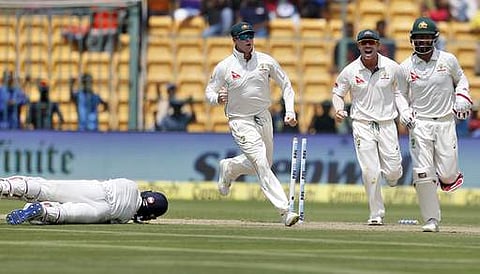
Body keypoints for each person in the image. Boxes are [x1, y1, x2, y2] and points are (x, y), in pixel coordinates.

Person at [205, 22, 300, 226]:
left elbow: (286, 85)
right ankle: (285, 210)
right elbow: (209, 91)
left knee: (264, 162)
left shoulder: (265, 61)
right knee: (260, 162)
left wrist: (290, 111)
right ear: (235, 40)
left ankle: (229, 167)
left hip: (263, 117)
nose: (248, 40)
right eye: (243, 37)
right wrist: (217, 99)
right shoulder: (225, 66)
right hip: (240, 120)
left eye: (250, 36)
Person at [398, 17, 473, 232]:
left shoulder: (448, 60)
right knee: (422, 173)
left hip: (445, 122)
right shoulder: (405, 67)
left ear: (434, 39)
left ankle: (446, 179)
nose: (422, 42)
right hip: (419, 124)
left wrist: (462, 97)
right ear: (412, 40)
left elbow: (462, 80)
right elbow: (400, 94)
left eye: (427, 37)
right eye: (419, 38)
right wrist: (404, 111)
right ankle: (431, 219)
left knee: (448, 175)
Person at [332, 29, 410, 226]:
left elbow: (400, 93)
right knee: (370, 171)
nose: (368, 46)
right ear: (358, 46)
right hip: (362, 124)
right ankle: (376, 213)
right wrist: (339, 109)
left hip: (386, 124)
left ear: (378, 45)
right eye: (364, 43)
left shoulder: (393, 68)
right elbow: (337, 93)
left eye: (371, 43)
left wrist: (405, 112)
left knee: (393, 172)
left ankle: (392, 177)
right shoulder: (350, 70)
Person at [0, 175, 168, 225]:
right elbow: (118, 220)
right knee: (64, 213)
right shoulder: (125, 218)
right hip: (102, 213)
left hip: (96, 191)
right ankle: (43, 211)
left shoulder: (131, 185)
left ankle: (6, 187)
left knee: (47, 189)